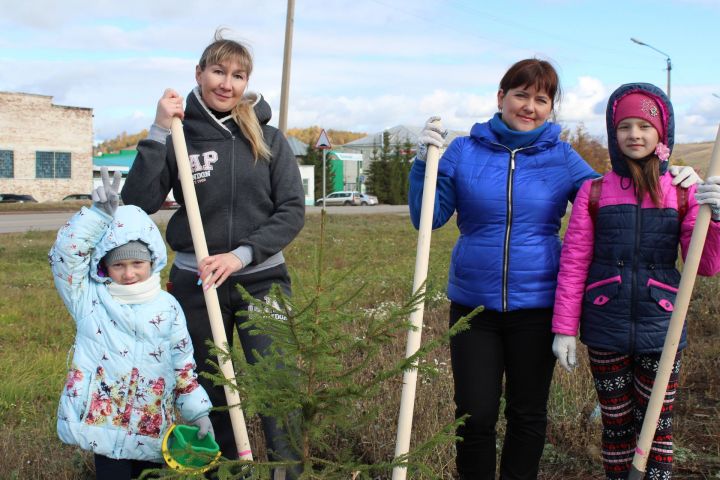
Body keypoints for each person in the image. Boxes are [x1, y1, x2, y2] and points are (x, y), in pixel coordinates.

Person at [410, 60, 700, 479]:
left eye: (541, 99)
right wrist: (424, 163)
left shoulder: (562, 157)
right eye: (521, 95)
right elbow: (427, 218)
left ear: (550, 108)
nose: (529, 106)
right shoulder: (463, 151)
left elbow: (618, 192)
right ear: (501, 98)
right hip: (473, 307)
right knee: (474, 415)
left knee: (528, 416)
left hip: (538, 305)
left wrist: (673, 175)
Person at [120, 29, 305, 477]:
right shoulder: (180, 136)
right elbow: (137, 204)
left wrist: (241, 255)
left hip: (261, 278)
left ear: (246, 82)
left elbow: (291, 211)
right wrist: (159, 130)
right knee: (209, 384)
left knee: (276, 378)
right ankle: (225, 469)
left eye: (238, 75)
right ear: (199, 73)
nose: (227, 83)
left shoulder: (270, 138)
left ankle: (288, 470)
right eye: (218, 71)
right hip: (196, 281)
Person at [551, 82, 720, 479]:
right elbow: (574, 264)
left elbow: (707, 265)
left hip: (662, 326)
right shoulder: (593, 193)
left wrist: (716, 220)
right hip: (604, 327)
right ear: (614, 134)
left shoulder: (682, 193)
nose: (634, 135)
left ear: (662, 133)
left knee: (656, 429)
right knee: (616, 427)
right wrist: (564, 330)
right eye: (624, 126)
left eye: (644, 126)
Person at [50, 168, 213, 479]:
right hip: (104, 429)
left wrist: (198, 412)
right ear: (105, 265)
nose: (128, 274)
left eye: (137, 263)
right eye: (119, 264)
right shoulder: (89, 299)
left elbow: (183, 367)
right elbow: (65, 258)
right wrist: (97, 217)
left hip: (152, 429)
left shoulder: (168, 308)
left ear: (152, 261)